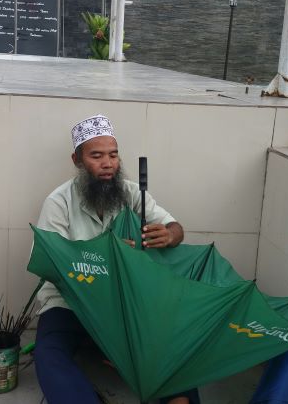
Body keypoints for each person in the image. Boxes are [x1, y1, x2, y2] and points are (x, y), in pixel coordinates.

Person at [34, 115, 199, 404]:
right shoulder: (59, 202)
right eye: (96, 156)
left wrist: (169, 235)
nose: (108, 163)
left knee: (168, 342)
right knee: (49, 353)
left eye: (113, 155)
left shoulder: (132, 193)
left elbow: (176, 228)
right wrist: (104, 256)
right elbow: (51, 263)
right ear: (77, 160)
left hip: (123, 302)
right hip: (71, 302)